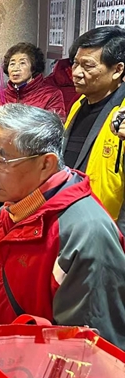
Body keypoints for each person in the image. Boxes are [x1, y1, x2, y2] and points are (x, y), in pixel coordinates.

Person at [0, 103, 125, 348]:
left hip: (29, 367)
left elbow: (90, 348)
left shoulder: (84, 233)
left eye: (1, 160)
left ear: (46, 164)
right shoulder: (13, 210)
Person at [64, 27, 125, 231]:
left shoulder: (122, 112)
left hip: (107, 228)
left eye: (87, 66)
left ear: (117, 70)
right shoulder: (78, 104)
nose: (76, 73)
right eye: (75, 63)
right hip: (71, 218)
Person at [3, 43, 66, 119]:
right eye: (12, 64)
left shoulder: (51, 95)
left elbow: (54, 124)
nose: (16, 68)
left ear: (33, 68)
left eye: (22, 63)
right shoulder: (2, 95)